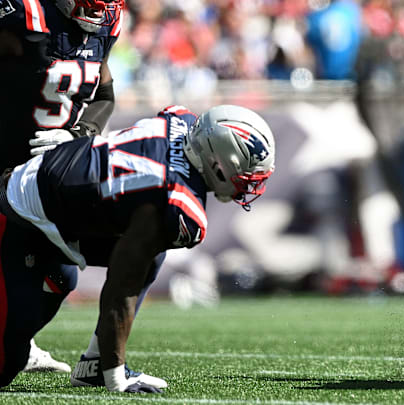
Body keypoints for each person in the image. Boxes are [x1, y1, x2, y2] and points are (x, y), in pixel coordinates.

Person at [0, 104, 276, 392]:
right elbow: (122, 284)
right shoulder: (176, 200)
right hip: (19, 216)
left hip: (50, 196)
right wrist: (116, 375)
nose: (248, 185)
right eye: (246, 175)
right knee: (7, 362)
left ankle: (94, 363)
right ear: (221, 162)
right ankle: (102, 366)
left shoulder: (181, 121)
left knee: (150, 251)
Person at [0, 0, 124, 374]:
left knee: (61, 274)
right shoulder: (22, 16)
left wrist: (79, 134)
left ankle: (20, 342)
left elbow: (103, 95)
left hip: (43, 175)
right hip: (4, 167)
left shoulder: (107, 23)